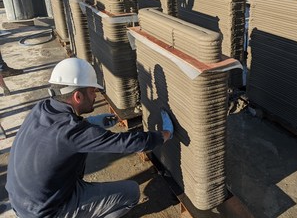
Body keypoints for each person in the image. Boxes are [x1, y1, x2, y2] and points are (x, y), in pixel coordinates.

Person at [6, 58, 174, 218]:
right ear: (77, 96)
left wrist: (89, 122)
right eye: (92, 91)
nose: (95, 96)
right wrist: (164, 134)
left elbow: (61, 134)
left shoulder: (42, 108)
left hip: (23, 201)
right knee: (131, 192)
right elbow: (126, 143)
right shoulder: (72, 132)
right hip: (46, 211)